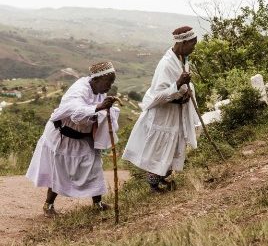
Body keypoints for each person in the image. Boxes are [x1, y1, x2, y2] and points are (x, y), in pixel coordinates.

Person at [26, 62, 120, 217]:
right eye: (108, 81)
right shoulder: (78, 89)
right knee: (60, 170)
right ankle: (48, 206)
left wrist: (106, 110)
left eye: (112, 82)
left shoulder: (99, 91)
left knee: (94, 167)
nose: (110, 86)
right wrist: (99, 108)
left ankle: (97, 203)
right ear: (96, 79)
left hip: (83, 137)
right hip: (63, 136)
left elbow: (96, 112)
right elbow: (76, 114)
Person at [122, 26, 200, 193]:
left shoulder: (182, 59)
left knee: (171, 148)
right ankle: (153, 185)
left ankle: (163, 178)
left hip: (175, 114)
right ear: (183, 42)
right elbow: (159, 96)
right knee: (159, 150)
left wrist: (186, 91)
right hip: (163, 116)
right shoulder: (166, 64)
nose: (194, 48)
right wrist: (178, 84)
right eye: (192, 44)